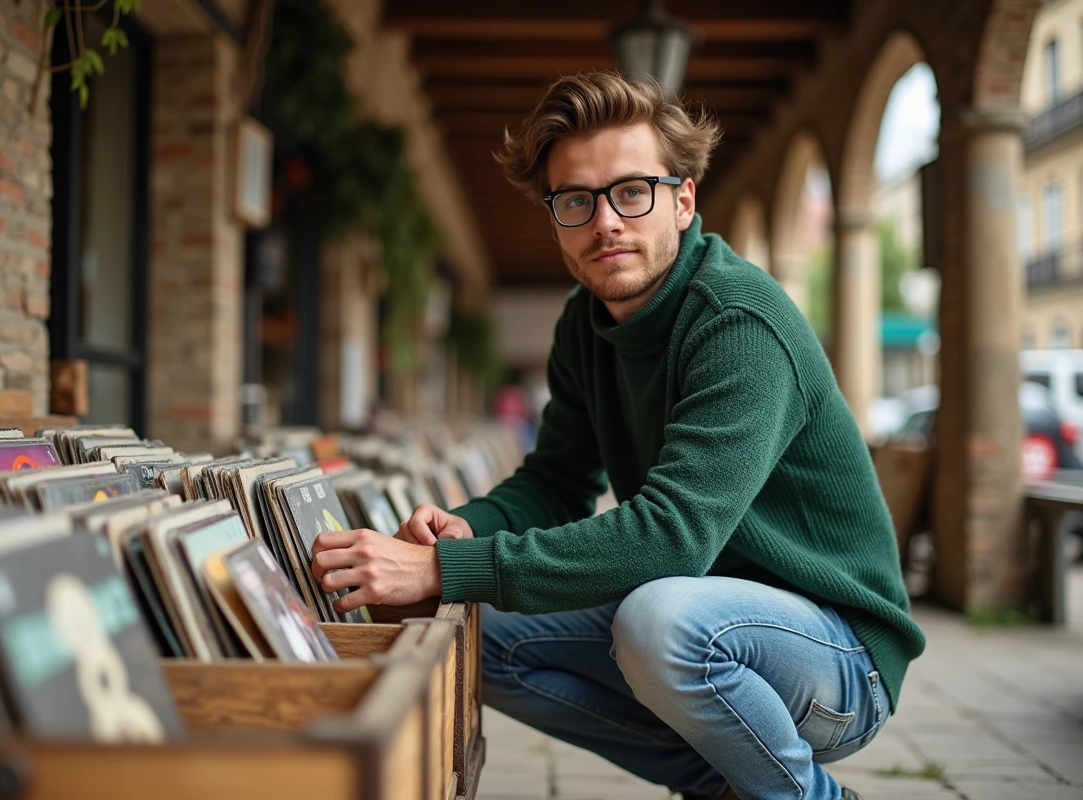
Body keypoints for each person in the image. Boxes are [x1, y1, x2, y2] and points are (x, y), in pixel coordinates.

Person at [311, 71, 925, 800]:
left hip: (839, 654)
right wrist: (459, 533)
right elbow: (557, 482)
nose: (605, 222)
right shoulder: (585, 323)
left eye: (631, 192)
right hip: (710, 611)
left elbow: (673, 536)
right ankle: (736, 785)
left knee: (658, 620)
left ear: (684, 198)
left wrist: (447, 570)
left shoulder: (738, 323)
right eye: (576, 200)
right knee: (475, 641)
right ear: (555, 218)